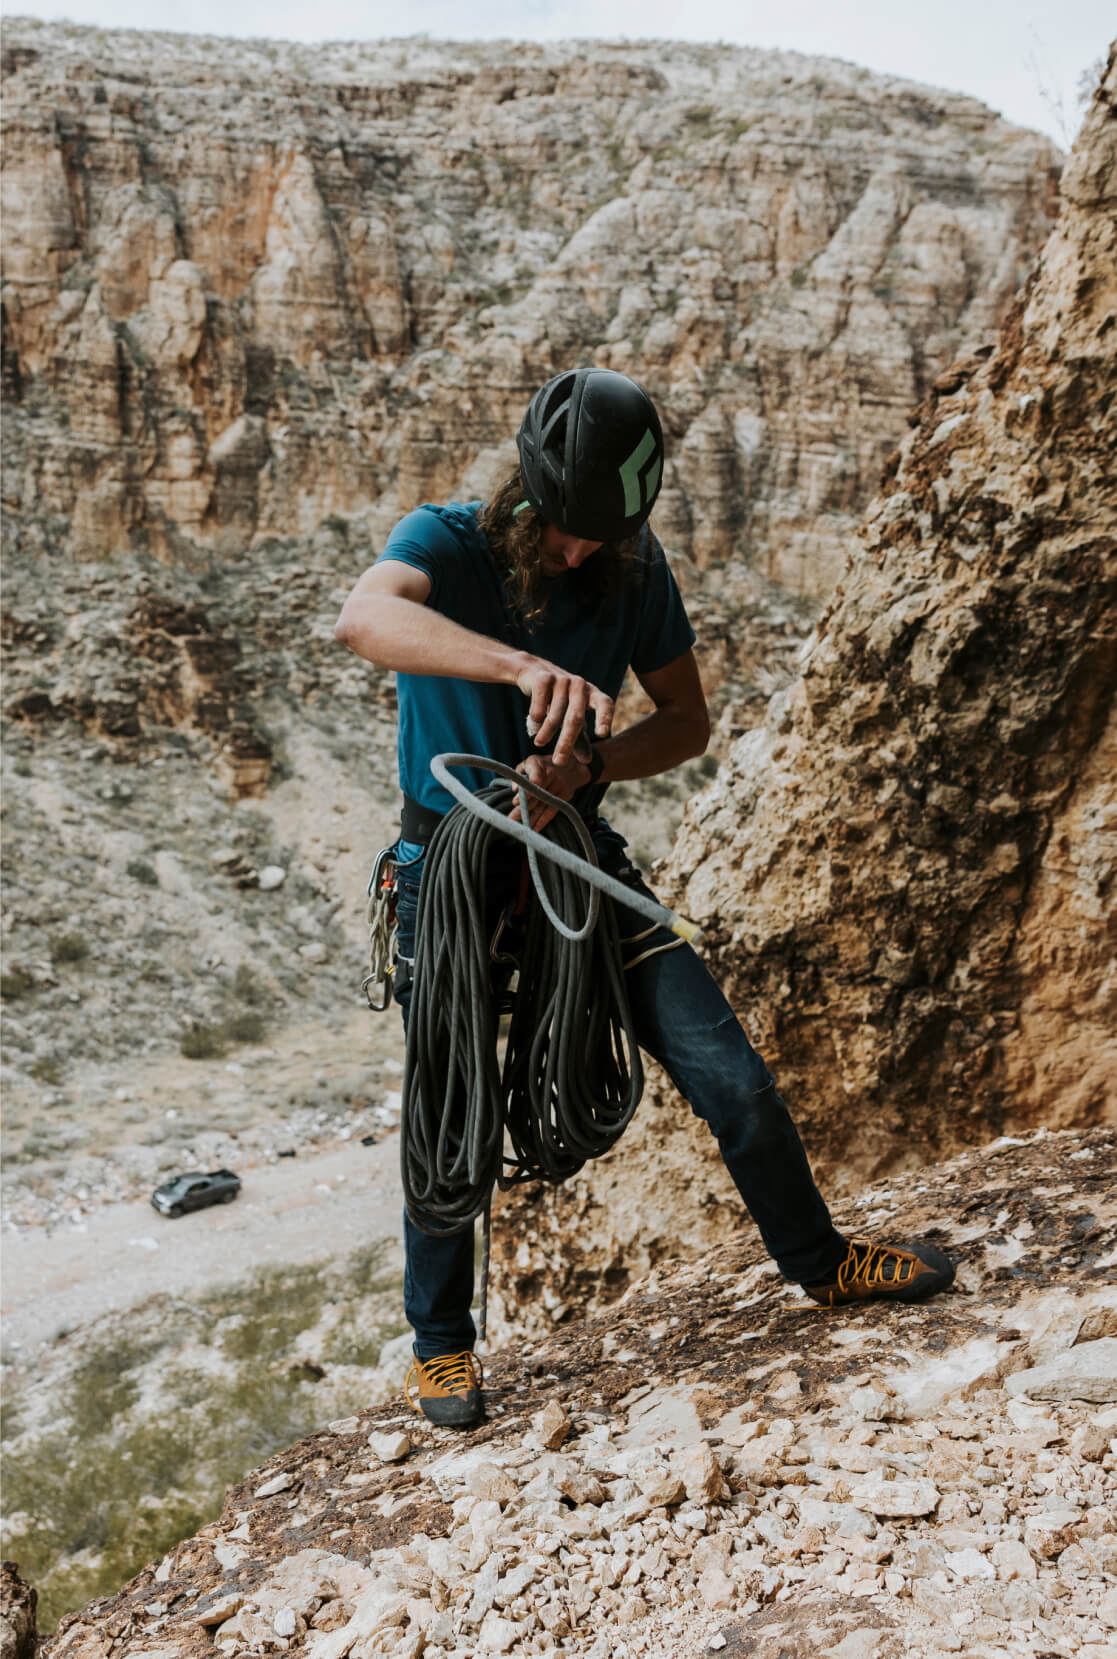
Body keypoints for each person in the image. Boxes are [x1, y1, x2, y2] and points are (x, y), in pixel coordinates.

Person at [335, 367, 954, 1429]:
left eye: (597, 538)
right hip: (449, 861)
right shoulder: (444, 541)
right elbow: (364, 618)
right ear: (525, 495)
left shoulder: (631, 568)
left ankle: (820, 1261)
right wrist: (519, 667)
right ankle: (441, 1347)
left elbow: (689, 722)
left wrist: (592, 768)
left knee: (734, 1080)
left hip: (576, 849)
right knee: (452, 1109)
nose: (577, 553)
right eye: (563, 532)